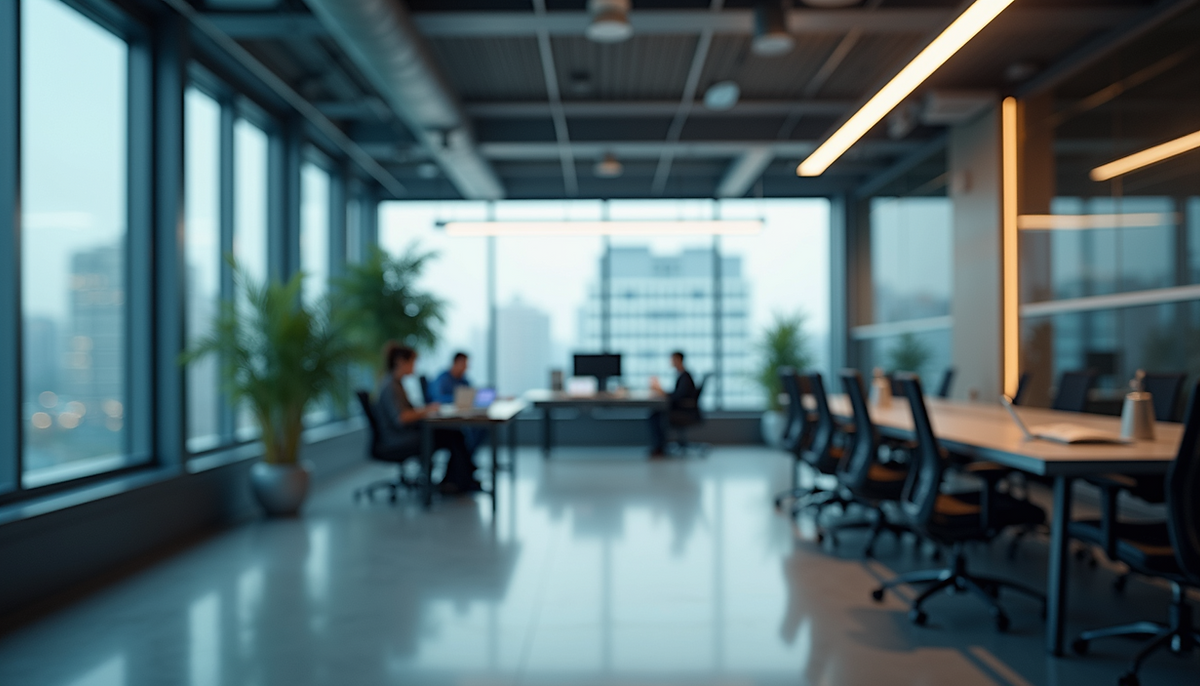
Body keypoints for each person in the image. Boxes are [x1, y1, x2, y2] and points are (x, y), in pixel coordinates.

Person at [375, 345, 482, 494]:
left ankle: (457, 480)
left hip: (404, 434)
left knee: (454, 434)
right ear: (400, 362)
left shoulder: (397, 384)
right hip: (397, 439)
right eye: (412, 362)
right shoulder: (391, 386)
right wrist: (426, 410)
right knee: (452, 436)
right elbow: (402, 417)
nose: (415, 366)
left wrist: (424, 410)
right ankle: (457, 482)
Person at [647, 351, 698, 458]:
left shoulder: (685, 377)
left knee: (655, 415)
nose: (671, 362)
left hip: (684, 411)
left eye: (673, 359)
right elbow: (677, 394)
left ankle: (659, 447)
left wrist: (662, 392)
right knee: (655, 413)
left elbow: (678, 396)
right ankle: (659, 447)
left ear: (678, 360)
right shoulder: (682, 375)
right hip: (682, 408)